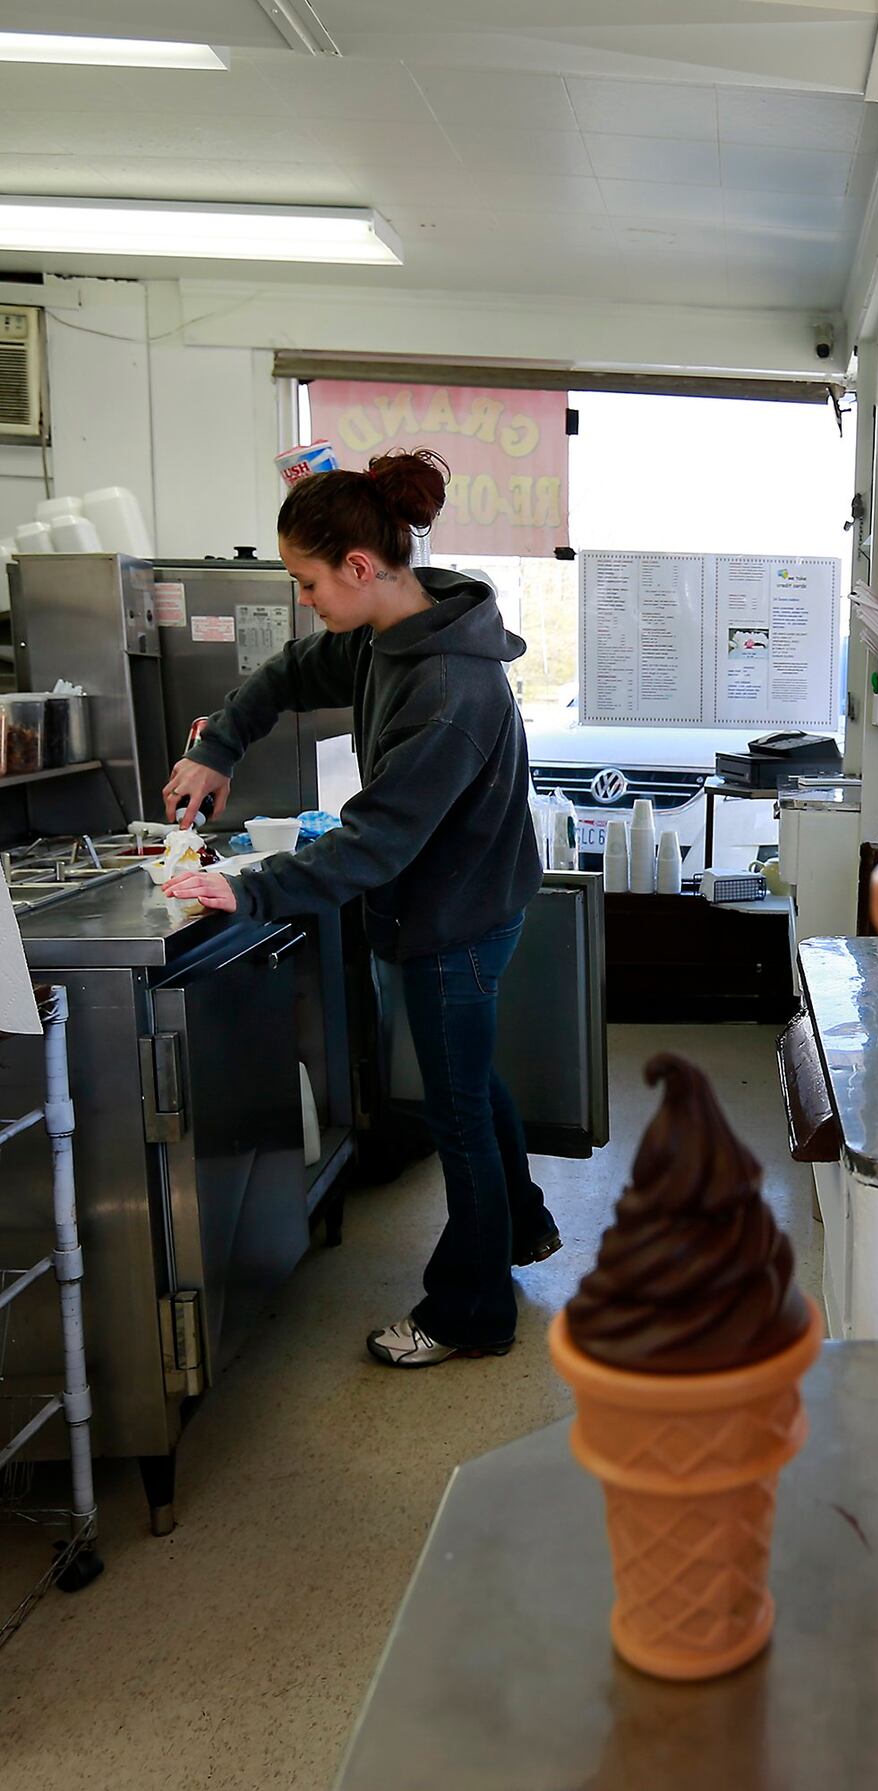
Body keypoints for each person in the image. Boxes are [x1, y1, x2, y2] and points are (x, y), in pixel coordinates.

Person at [163, 448, 561, 1369]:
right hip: (459, 900)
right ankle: (524, 1223)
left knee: (457, 1107)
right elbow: (293, 673)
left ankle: (472, 1310)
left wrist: (247, 888)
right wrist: (221, 742)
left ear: (358, 566)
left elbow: (377, 839)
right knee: (472, 1081)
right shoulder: (394, 630)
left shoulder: (451, 689)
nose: (304, 600)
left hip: (456, 919)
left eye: (306, 582)